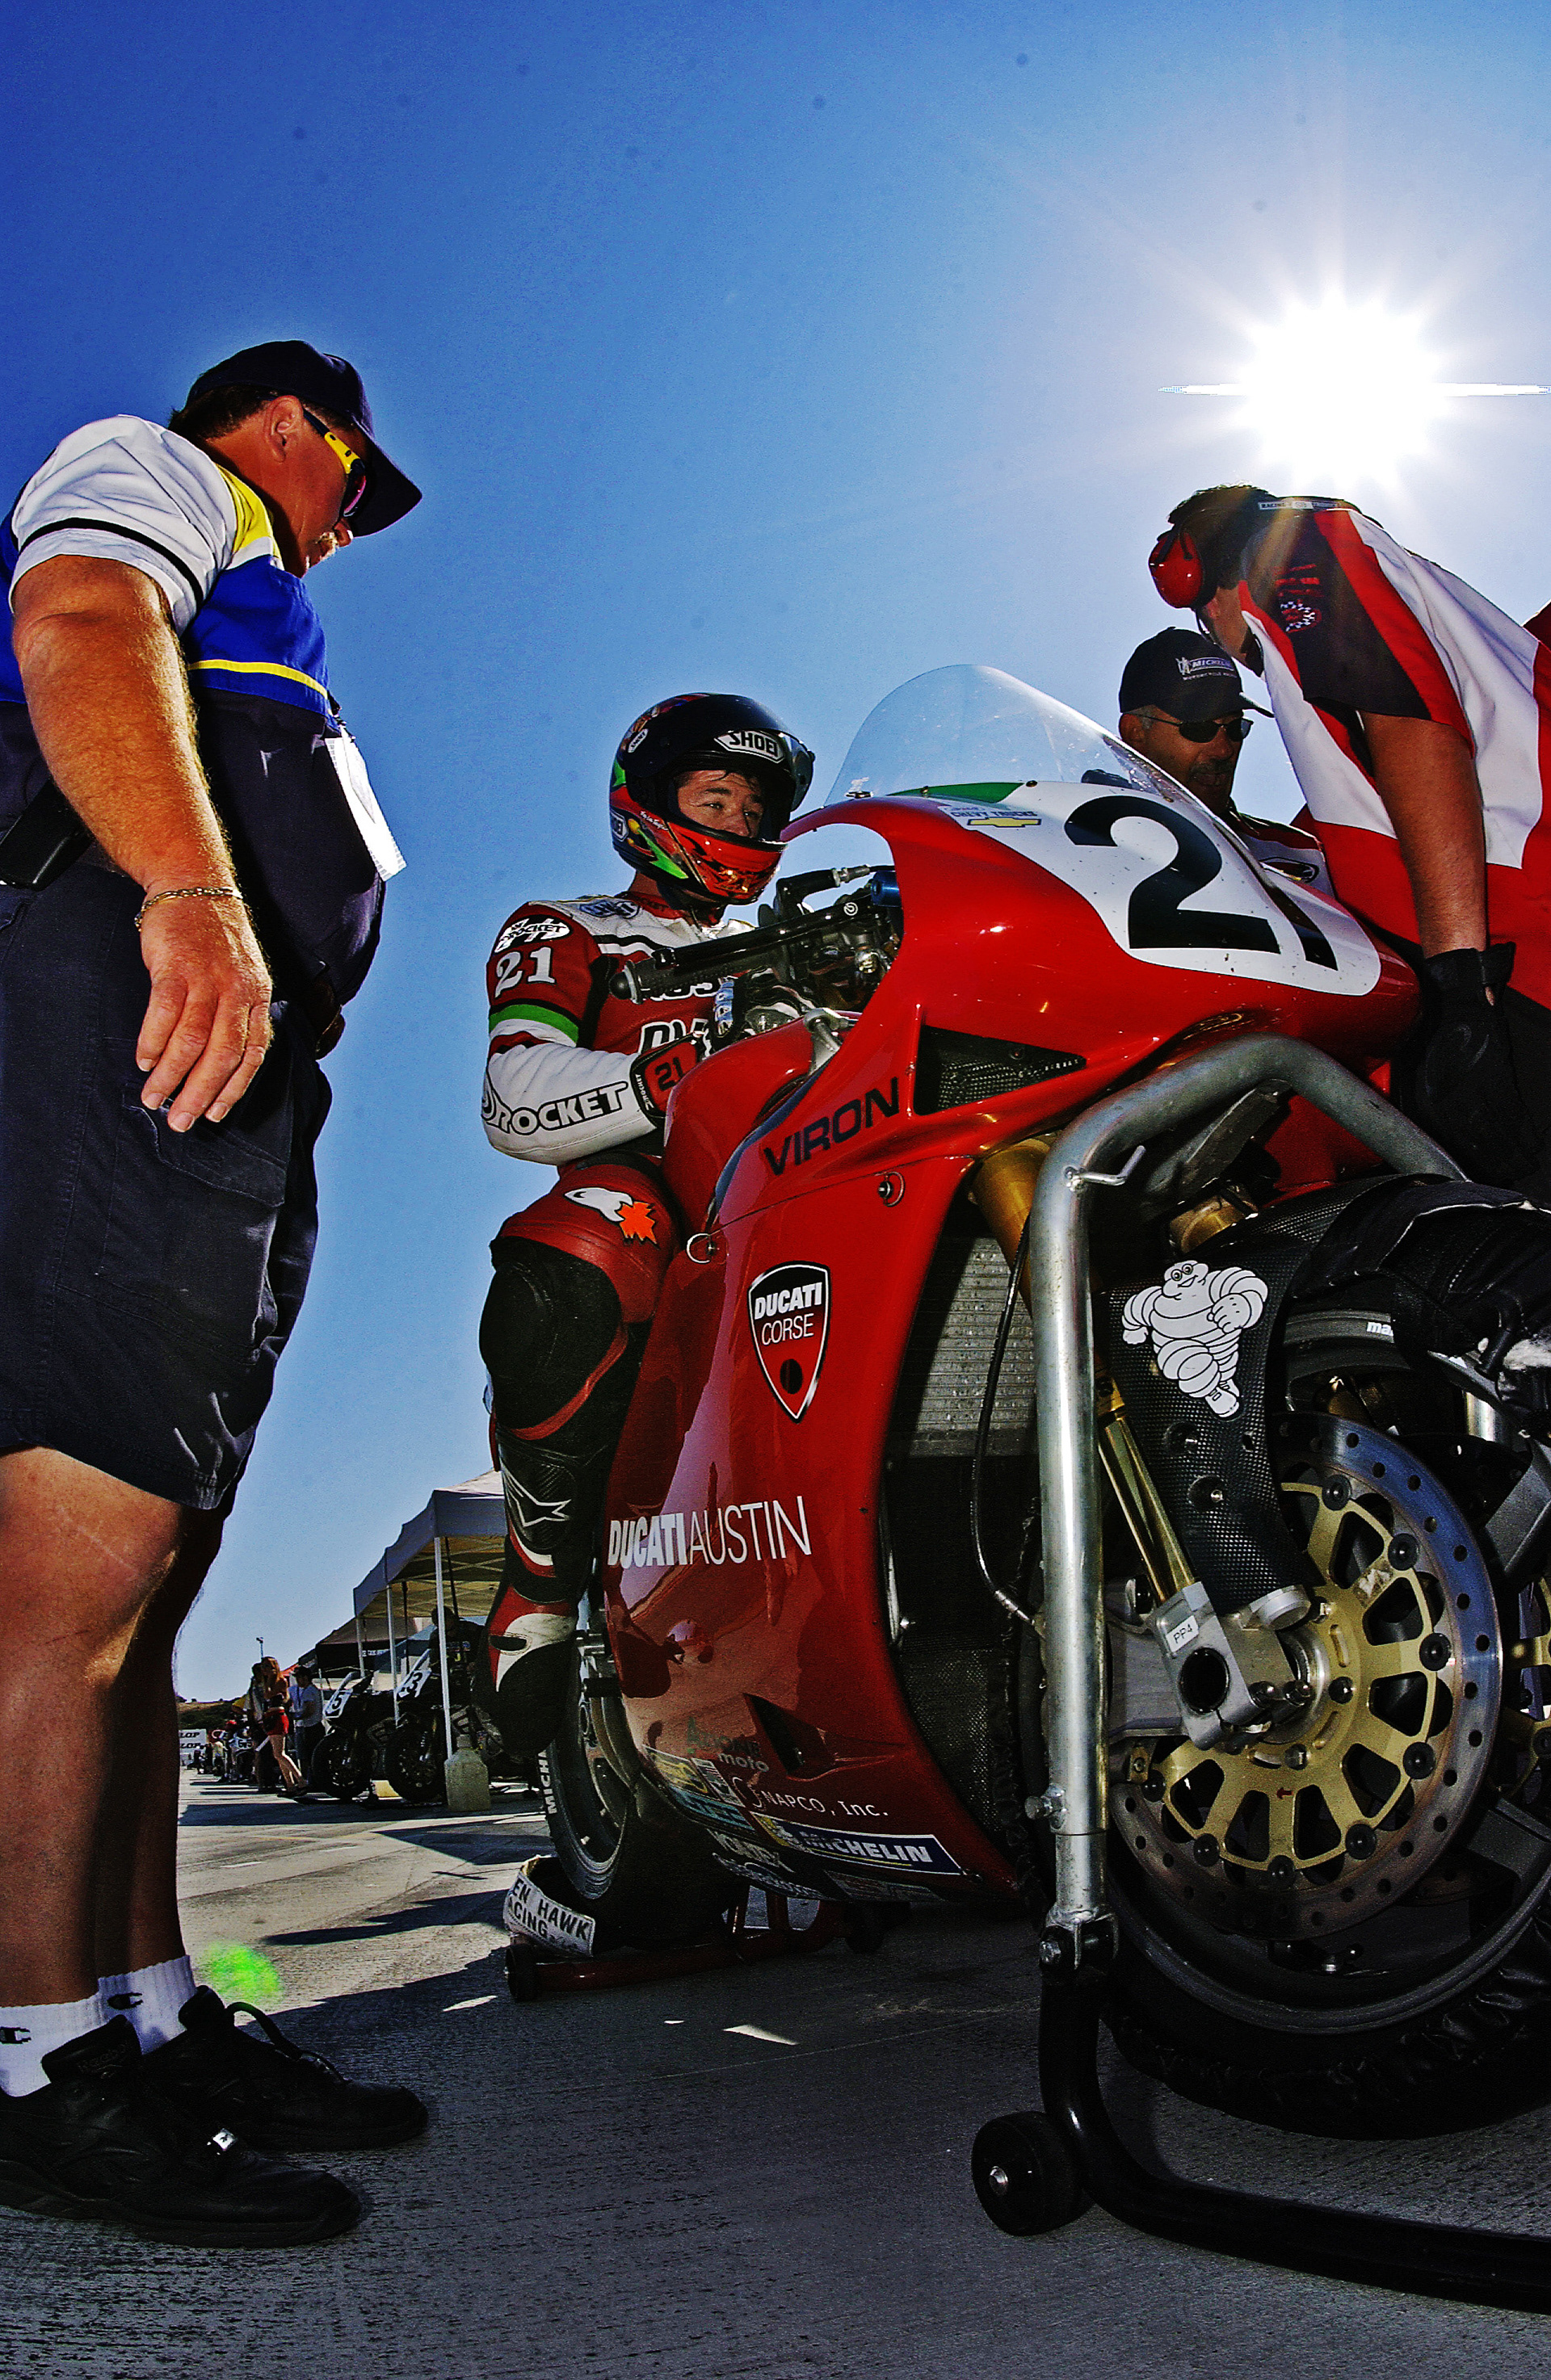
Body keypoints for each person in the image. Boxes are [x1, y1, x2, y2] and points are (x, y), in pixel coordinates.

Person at [0, 342, 427, 2247]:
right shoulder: (172, 476)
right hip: (129, 1007)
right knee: (69, 1581)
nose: (349, 520)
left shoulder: (267, 576)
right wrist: (187, 895)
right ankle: (37, 2066)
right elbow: (79, 611)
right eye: (354, 476)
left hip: (232, 1075)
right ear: (290, 424)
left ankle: (159, 2021)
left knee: (150, 1596)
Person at [477, 693, 813, 1759]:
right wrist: (667, 1076)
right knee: (595, 1225)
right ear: (649, 802)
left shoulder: (801, 942)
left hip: (797, 1185)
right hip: (652, 1206)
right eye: (716, 794)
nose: (739, 819)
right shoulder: (569, 926)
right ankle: (537, 1574)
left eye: (755, 803)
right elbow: (514, 1091)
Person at [1148, 485, 1551, 1193]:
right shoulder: (1351, 559)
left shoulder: (1289, 553)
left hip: (1520, 955)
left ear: (1199, 577)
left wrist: (1461, 986)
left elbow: (1413, 728)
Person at [1116, 628, 1331, 892]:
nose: (1223, 750)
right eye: (1198, 728)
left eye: (1235, 727)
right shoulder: (1077, 834)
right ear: (1135, 733)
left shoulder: (1303, 852)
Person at [290, 1663, 326, 1785]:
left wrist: (296, 1717)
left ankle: (312, 1781)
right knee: (306, 1756)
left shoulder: (309, 1691)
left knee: (308, 1757)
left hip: (311, 1727)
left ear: (305, 1677)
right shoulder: (307, 1690)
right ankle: (311, 1781)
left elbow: (309, 1710)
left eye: (298, 1678)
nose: (297, 1681)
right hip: (308, 1726)